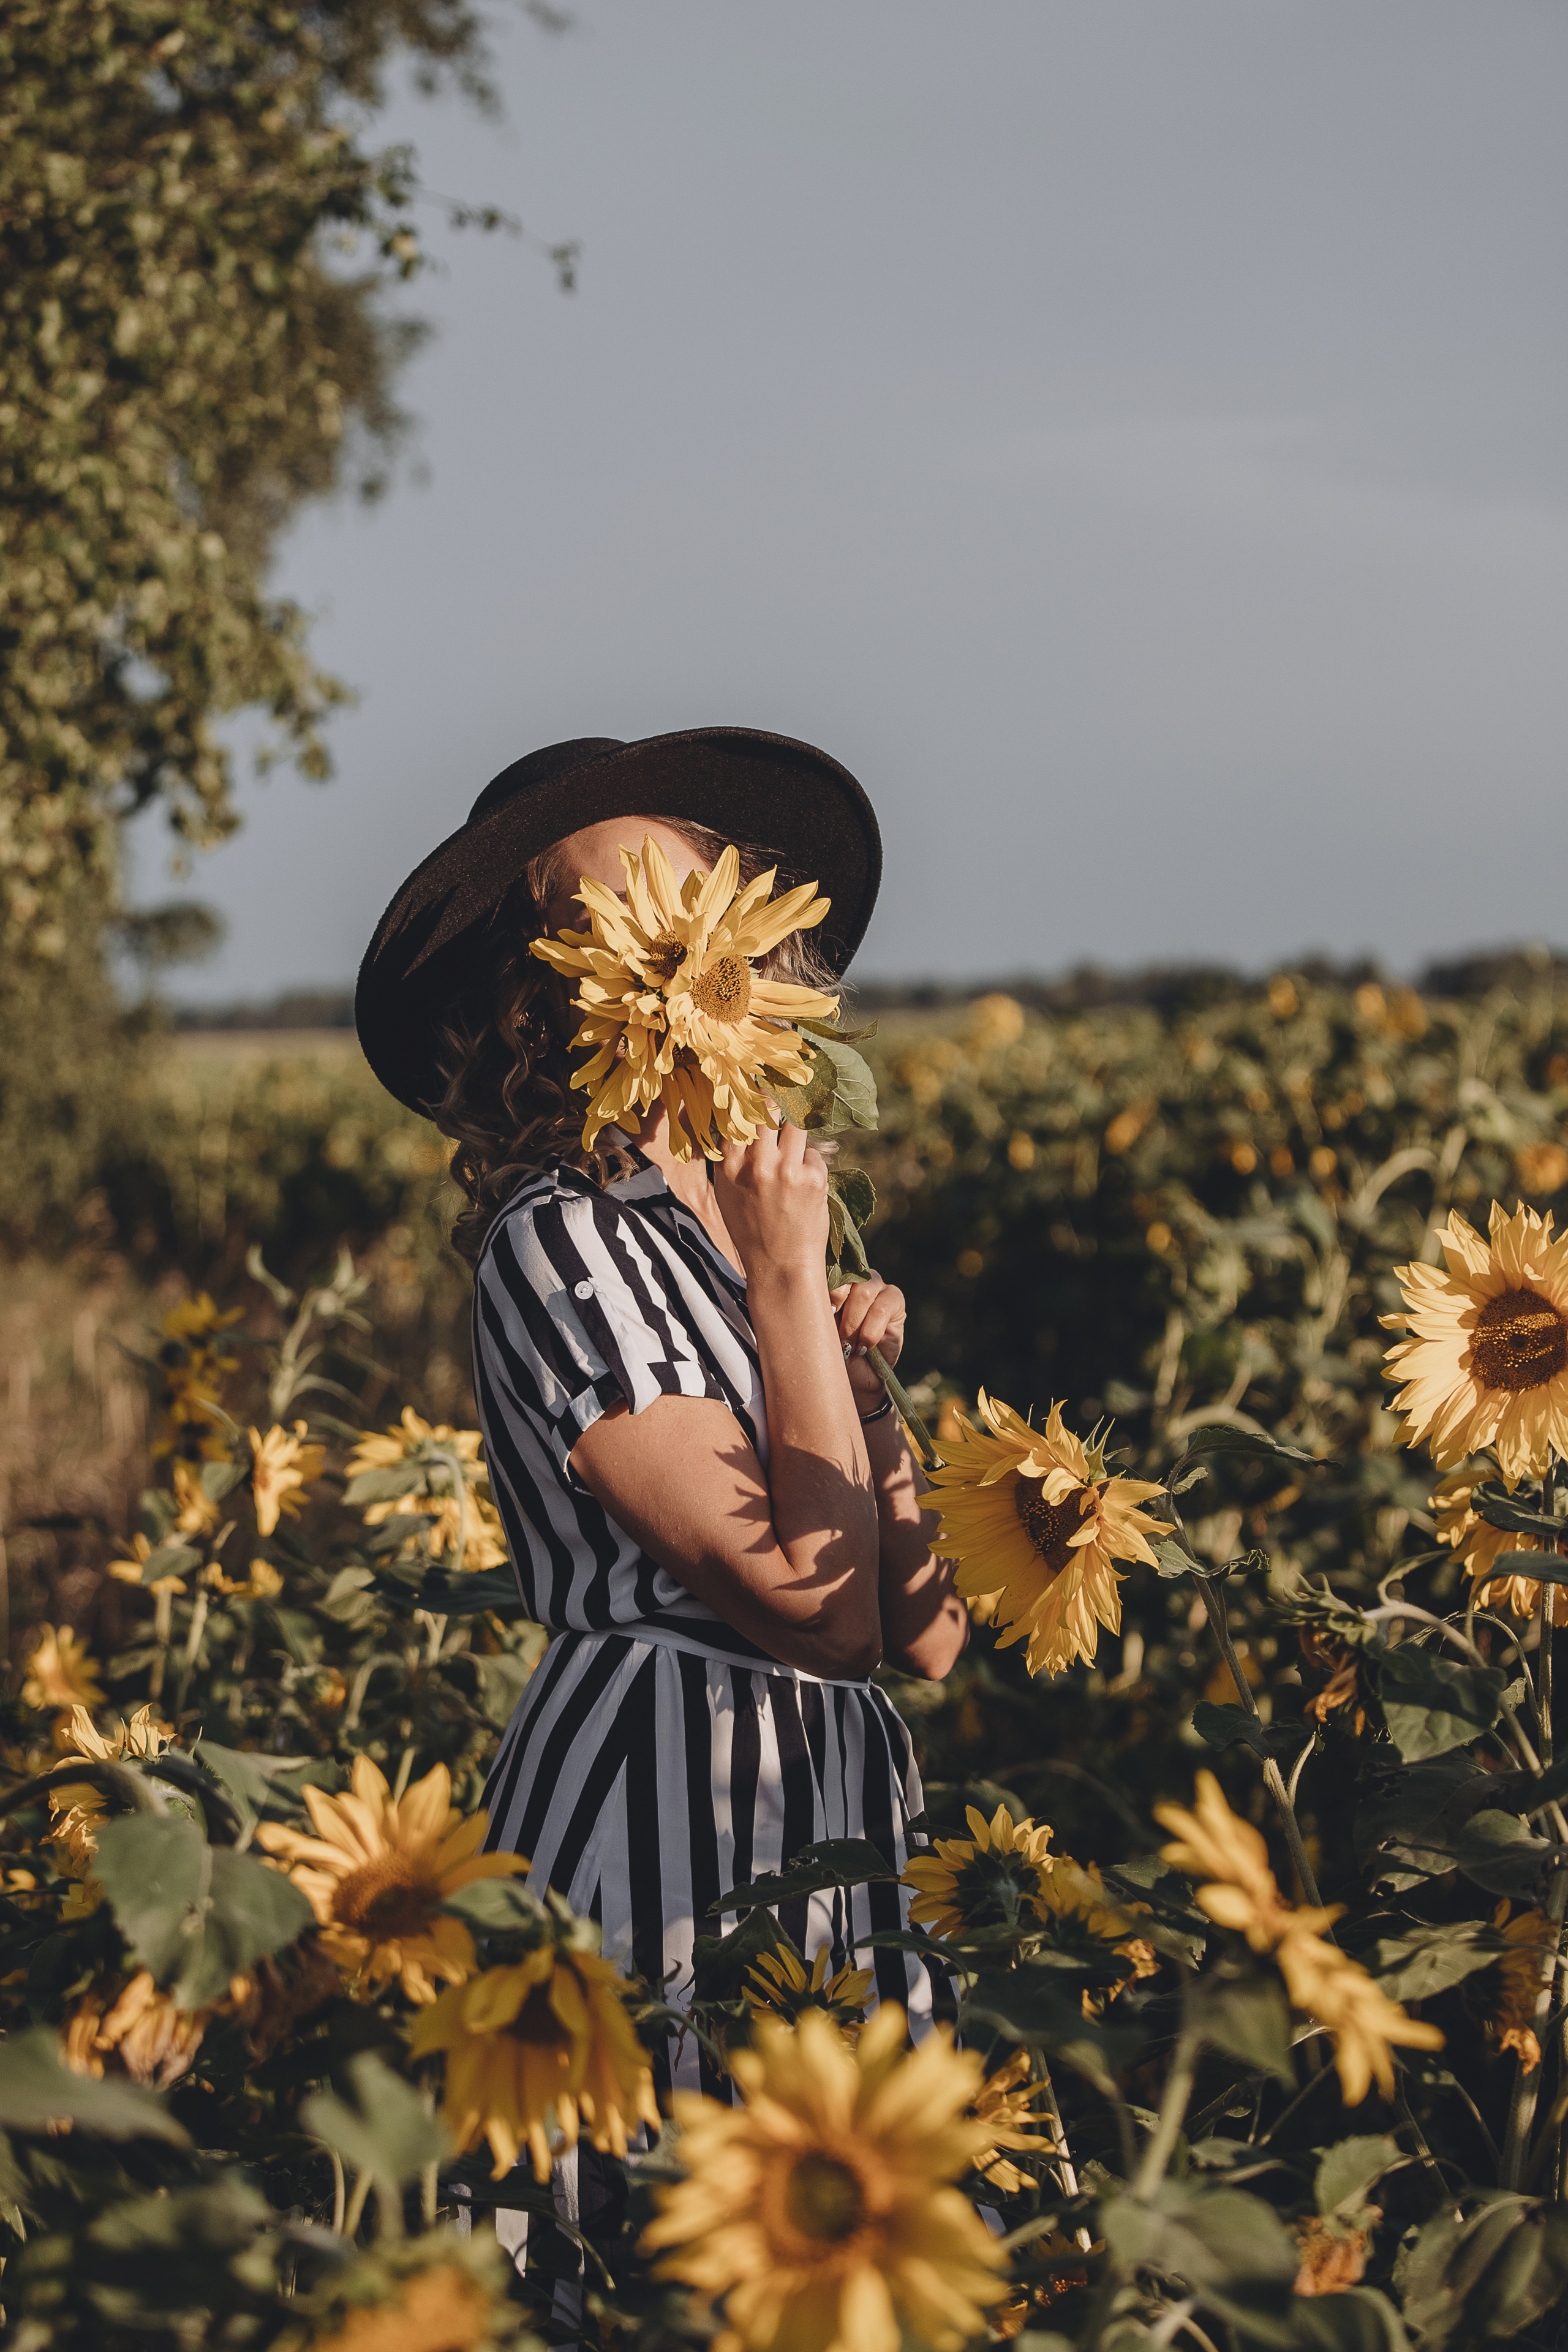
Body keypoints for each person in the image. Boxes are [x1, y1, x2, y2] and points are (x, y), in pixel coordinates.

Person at [355, 729, 967, 2116]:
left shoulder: (753, 1223)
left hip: (837, 1820)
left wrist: (855, 1378)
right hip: (663, 1822)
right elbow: (820, 1614)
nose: (649, 943)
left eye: (671, 901)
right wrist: (791, 1283)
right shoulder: (557, 1243)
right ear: (543, 985)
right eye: (593, 919)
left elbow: (925, 1629)